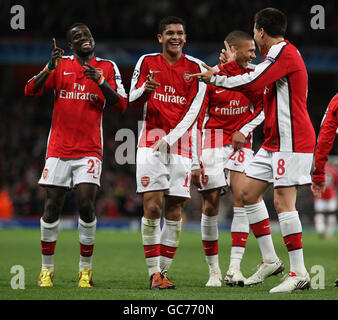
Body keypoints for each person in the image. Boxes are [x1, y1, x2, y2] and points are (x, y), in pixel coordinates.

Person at [192, 7, 316, 293]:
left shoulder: (284, 53)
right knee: (247, 193)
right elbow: (254, 82)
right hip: (274, 141)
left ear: (261, 31)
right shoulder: (275, 57)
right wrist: (230, 69)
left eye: (254, 31)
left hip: (292, 139)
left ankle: (299, 272)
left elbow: (254, 82)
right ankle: (271, 259)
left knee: (284, 203)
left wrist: (217, 78)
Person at [25, 23, 128, 287]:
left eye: (87, 35)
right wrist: (49, 66)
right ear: (70, 45)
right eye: (77, 37)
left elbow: (122, 105)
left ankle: (85, 270)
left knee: (85, 205)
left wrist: (101, 82)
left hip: (89, 150)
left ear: (93, 40)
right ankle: (46, 270)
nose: (84, 39)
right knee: (51, 208)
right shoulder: (59, 65)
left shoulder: (107, 67)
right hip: (58, 150)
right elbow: (30, 90)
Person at [129, 16, 207, 289]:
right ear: (159, 38)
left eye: (180, 33)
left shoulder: (196, 68)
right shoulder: (146, 62)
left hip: (183, 148)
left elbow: (194, 114)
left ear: (185, 37)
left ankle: (160, 273)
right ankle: (154, 274)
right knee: (151, 206)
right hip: (150, 142)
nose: (176, 37)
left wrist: (192, 157)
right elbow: (130, 99)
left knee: (174, 211)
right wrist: (144, 90)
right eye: (170, 33)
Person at [191, 30, 264, 287]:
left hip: (240, 143)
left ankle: (234, 268)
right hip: (211, 141)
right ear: (233, 49)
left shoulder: (253, 75)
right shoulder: (210, 76)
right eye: (250, 50)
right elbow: (198, 119)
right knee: (210, 204)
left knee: (242, 198)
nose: (254, 55)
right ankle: (214, 272)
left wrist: (244, 130)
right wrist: (195, 160)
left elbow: (265, 109)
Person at [312, 94, 338, 239]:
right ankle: (326, 232)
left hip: (324, 192)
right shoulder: (334, 170)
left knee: (321, 213)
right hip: (331, 193)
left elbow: (325, 137)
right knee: (329, 213)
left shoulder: (335, 101)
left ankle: (322, 230)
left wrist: (318, 175)